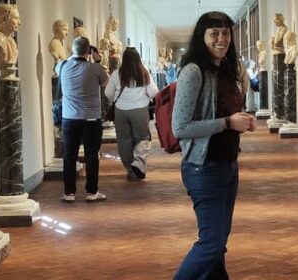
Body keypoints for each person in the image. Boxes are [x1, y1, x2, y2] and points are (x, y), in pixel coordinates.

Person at [172, 11, 256, 280]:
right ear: (202, 36)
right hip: (203, 168)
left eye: (226, 33)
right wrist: (227, 123)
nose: (221, 39)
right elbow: (180, 128)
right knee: (210, 243)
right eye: (214, 33)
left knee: (218, 243)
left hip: (227, 165)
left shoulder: (226, 70)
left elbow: (225, 111)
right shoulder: (193, 72)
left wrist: (241, 121)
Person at [56, 36, 110, 202]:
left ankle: (69, 193)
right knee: (91, 155)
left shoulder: (62, 66)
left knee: (69, 156)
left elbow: (60, 70)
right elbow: (105, 84)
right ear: (89, 51)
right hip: (91, 119)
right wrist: (97, 60)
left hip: (69, 118)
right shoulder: (96, 69)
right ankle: (91, 192)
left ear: (72, 49)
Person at [104, 47, 159, 180]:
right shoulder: (143, 73)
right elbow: (153, 92)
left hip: (121, 111)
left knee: (124, 140)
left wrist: (115, 100)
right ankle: (138, 162)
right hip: (140, 109)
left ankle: (130, 169)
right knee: (143, 138)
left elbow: (108, 93)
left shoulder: (117, 73)